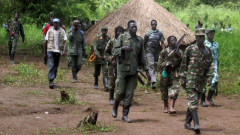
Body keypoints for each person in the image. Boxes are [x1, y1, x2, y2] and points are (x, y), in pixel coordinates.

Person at [111, 20, 151, 123]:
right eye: (132, 27)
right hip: (122, 70)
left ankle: (125, 115)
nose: (134, 28)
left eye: (135, 27)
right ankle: (115, 106)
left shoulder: (139, 40)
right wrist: (123, 48)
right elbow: (114, 51)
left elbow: (142, 57)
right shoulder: (122, 37)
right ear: (128, 28)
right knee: (120, 91)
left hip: (133, 71)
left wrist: (147, 70)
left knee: (129, 94)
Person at [180, 30, 215, 133]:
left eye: (202, 37)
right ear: (195, 37)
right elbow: (184, 65)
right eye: (199, 37)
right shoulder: (190, 49)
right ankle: (196, 125)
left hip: (201, 81)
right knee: (194, 103)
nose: (201, 39)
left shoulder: (207, 50)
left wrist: (210, 76)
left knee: (193, 102)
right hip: (191, 80)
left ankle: (187, 123)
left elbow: (211, 64)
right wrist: (183, 78)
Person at [158, 36, 183, 114]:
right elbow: (159, 64)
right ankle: (165, 106)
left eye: (175, 40)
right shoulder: (163, 52)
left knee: (175, 90)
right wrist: (166, 64)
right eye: (171, 40)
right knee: (164, 91)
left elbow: (183, 63)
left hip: (174, 74)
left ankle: (171, 107)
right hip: (165, 74)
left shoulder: (179, 52)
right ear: (168, 42)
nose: (174, 41)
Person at [44, 18, 67, 89]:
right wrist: (45, 53)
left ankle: (52, 79)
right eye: (55, 23)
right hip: (50, 50)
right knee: (51, 65)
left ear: (59, 24)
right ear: (53, 23)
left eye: (57, 23)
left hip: (58, 51)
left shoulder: (62, 31)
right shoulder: (50, 31)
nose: (56, 24)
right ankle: (50, 81)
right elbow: (46, 42)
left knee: (56, 66)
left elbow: (65, 41)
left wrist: (64, 50)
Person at [104, 26, 124, 105]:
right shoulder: (111, 42)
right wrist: (110, 60)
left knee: (121, 83)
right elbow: (106, 53)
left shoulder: (125, 42)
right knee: (112, 82)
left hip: (122, 65)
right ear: (115, 33)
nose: (119, 33)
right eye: (118, 31)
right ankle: (111, 99)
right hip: (113, 66)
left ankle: (120, 99)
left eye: (121, 31)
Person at [144, 20, 165, 89]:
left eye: (155, 24)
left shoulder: (159, 33)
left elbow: (162, 42)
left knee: (157, 65)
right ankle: (153, 82)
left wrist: (164, 51)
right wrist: (143, 52)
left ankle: (149, 81)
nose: (154, 25)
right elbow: (144, 42)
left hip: (157, 52)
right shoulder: (148, 33)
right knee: (151, 66)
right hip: (149, 52)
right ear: (151, 25)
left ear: (156, 25)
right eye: (153, 24)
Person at [201, 29, 219, 107]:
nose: (211, 36)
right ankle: (202, 100)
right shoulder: (204, 43)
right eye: (210, 34)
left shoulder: (216, 44)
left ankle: (209, 97)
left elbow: (217, 55)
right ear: (207, 35)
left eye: (212, 34)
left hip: (214, 62)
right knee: (204, 81)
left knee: (215, 80)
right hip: (206, 63)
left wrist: (217, 65)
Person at [93, 26, 111, 91]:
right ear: (101, 31)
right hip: (98, 58)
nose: (104, 32)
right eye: (103, 30)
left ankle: (106, 85)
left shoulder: (108, 38)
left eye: (106, 31)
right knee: (96, 72)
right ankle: (96, 83)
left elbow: (110, 48)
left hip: (105, 58)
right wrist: (98, 54)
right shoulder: (97, 38)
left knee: (105, 71)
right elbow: (95, 48)